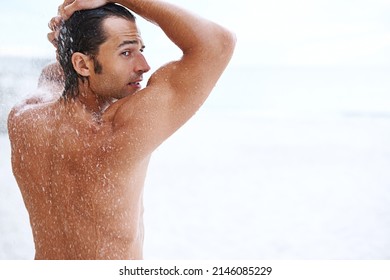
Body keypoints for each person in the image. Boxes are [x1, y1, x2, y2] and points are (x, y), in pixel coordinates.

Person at [8, 0, 235, 260]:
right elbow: (219, 44)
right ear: (82, 64)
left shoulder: (24, 118)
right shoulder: (119, 130)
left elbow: (56, 76)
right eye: (126, 53)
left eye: (141, 50)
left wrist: (72, 44)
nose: (143, 65)